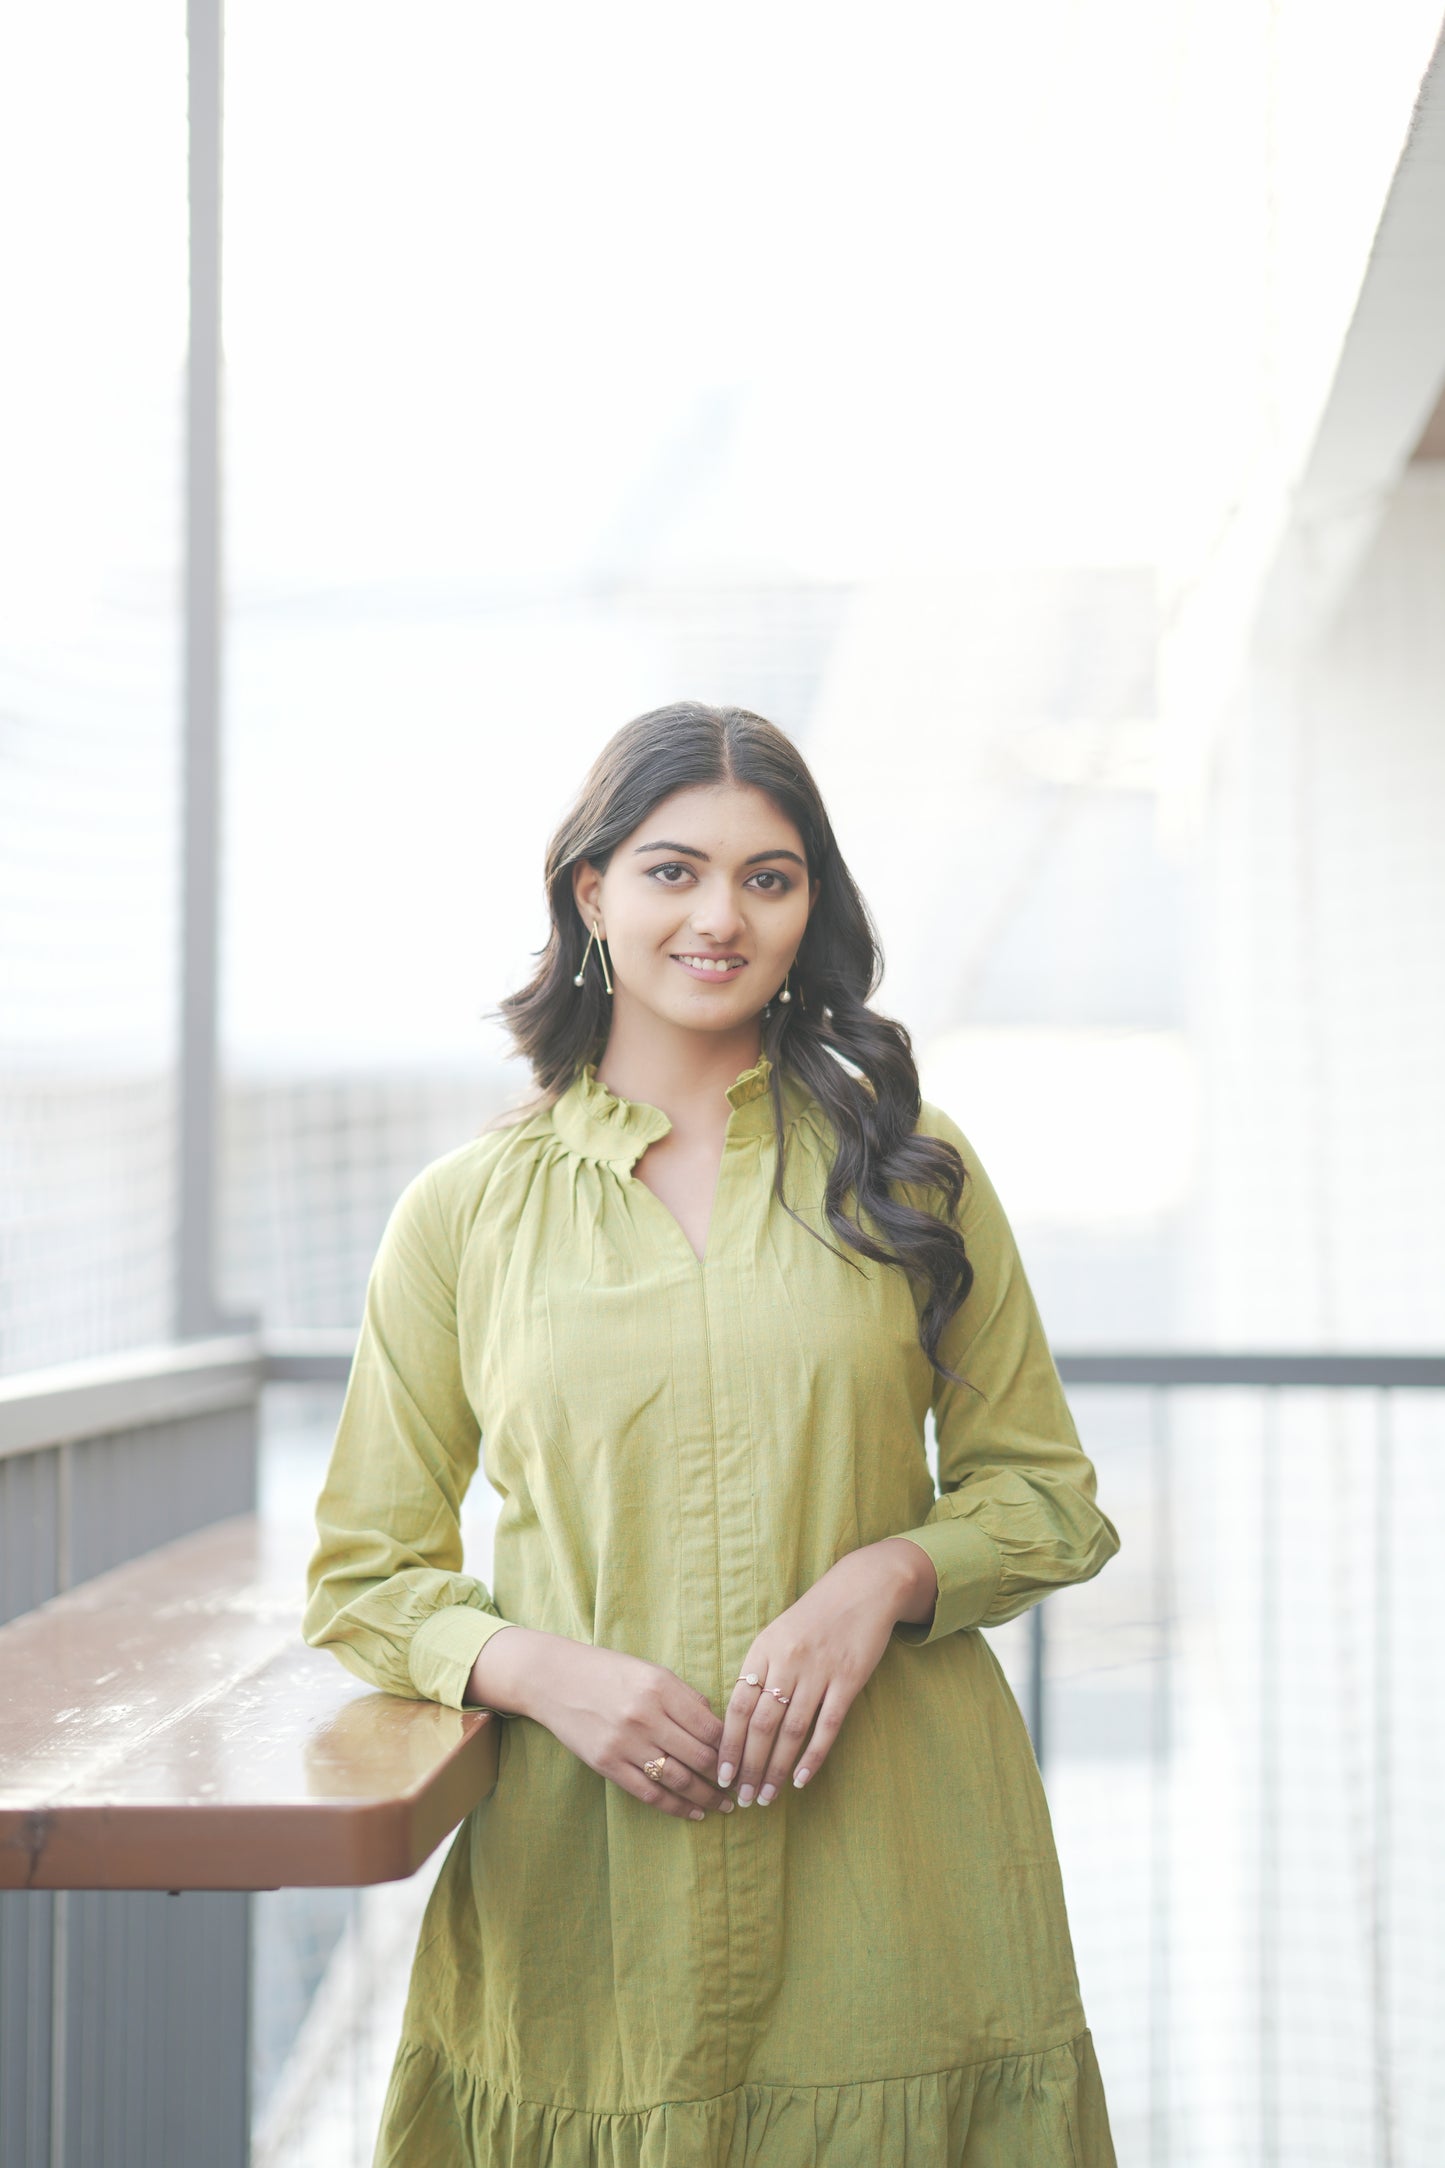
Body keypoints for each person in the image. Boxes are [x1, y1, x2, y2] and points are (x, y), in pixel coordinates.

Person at [303, 700, 1123, 2167]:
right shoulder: (462, 1213)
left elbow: (1045, 1499)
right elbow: (365, 1573)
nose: (719, 916)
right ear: (592, 895)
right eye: (673, 870)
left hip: (899, 1877)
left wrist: (883, 1579)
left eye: (769, 876)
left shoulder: (912, 1172)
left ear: (810, 909)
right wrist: (539, 1670)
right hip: (582, 1890)